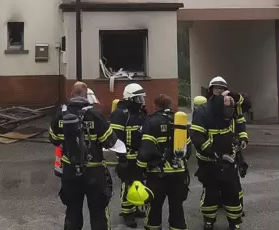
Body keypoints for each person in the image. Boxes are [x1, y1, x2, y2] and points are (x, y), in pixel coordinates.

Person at [50, 81, 120, 230]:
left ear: (71, 94)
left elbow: (54, 139)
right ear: (86, 95)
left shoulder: (61, 113)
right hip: (94, 172)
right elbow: (110, 141)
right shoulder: (95, 115)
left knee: (73, 212)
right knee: (98, 212)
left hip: (69, 171)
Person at [192, 77, 246, 229]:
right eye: (216, 88)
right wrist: (214, 153)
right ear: (210, 91)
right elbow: (197, 137)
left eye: (222, 89)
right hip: (209, 161)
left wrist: (242, 138)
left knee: (232, 192)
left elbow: (240, 118)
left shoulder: (230, 106)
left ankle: (234, 222)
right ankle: (209, 220)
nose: (220, 91)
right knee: (211, 193)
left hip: (229, 159)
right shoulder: (202, 111)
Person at [137, 93, 189, 230]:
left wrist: (139, 171)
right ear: (169, 105)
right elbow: (187, 151)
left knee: (154, 207)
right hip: (178, 172)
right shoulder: (179, 122)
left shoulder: (151, 122)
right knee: (177, 207)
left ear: (155, 105)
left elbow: (146, 151)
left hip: (157, 174)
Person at [111, 83, 149, 228]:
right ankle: (128, 213)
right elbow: (116, 138)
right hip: (127, 155)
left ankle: (135, 206)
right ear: (130, 98)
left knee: (138, 182)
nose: (141, 101)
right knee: (128, 184)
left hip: (140, 155)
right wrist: (121, 158)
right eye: (138, 98)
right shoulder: (121, 113)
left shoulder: (140, 112)